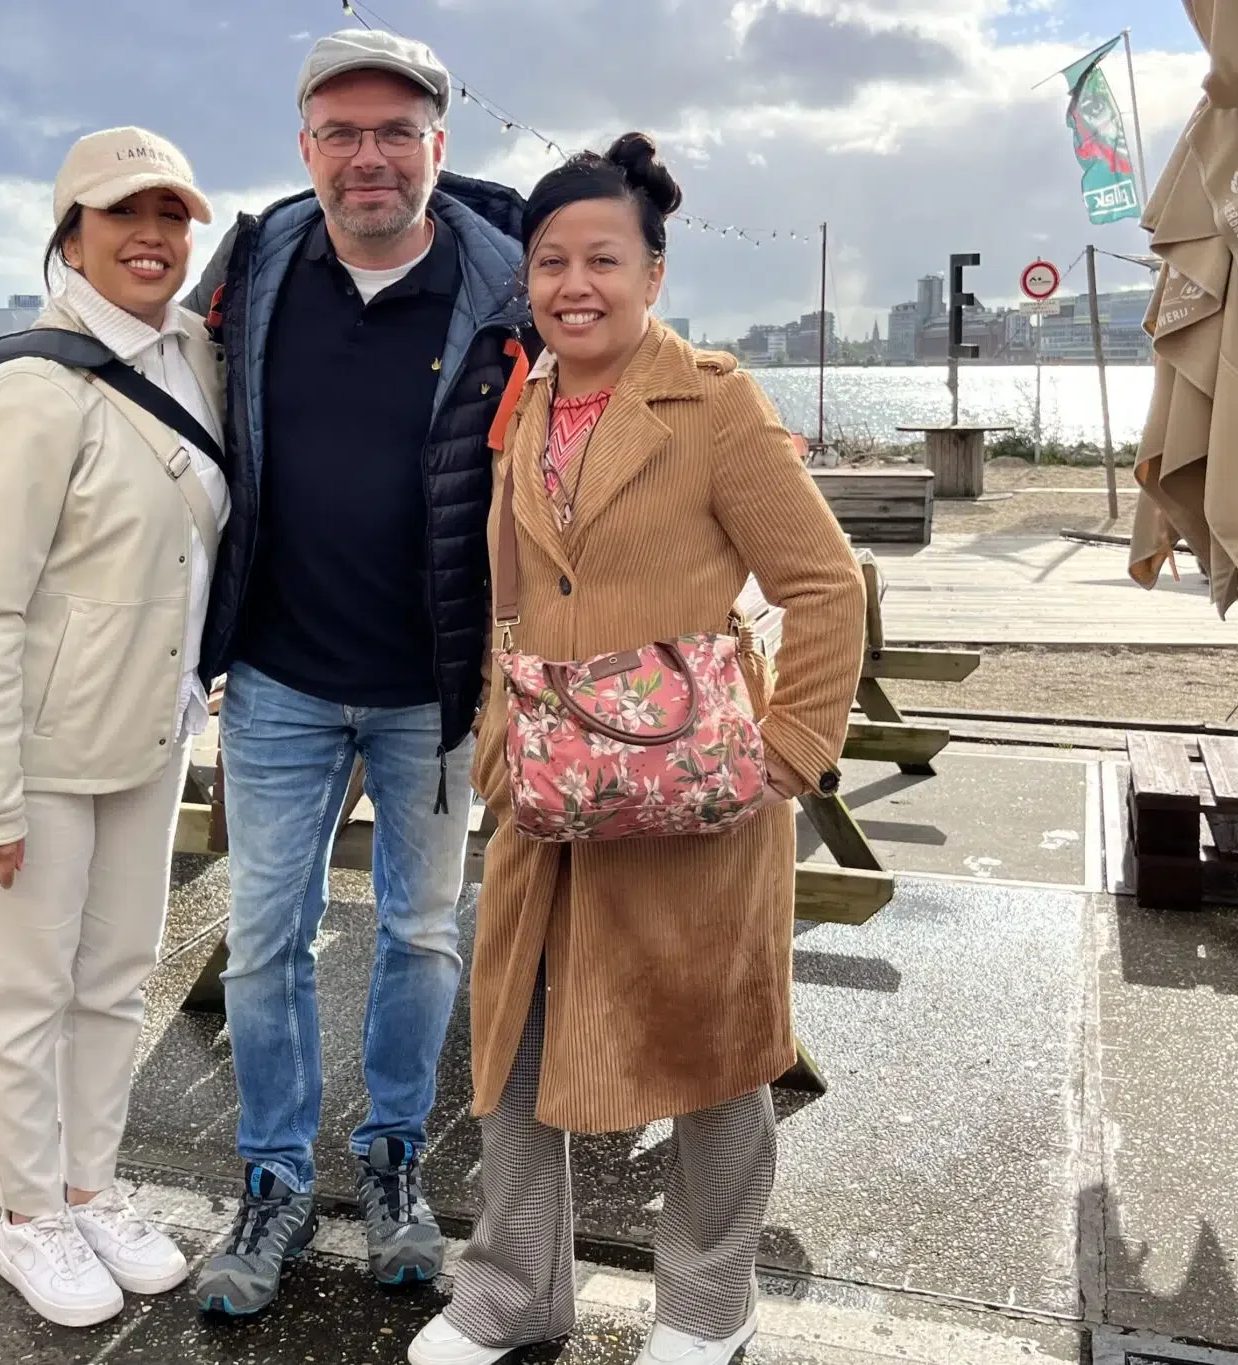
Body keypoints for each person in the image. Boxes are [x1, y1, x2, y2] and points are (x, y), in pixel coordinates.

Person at [408, 136, 867, 1365]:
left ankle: (707, 1304)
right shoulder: (526, 402)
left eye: (602, 259)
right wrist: (500, 730)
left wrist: (783, 758)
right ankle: (511, 1291)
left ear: (652, 273)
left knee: (716, 1048)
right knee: (506, 1038)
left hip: (691, 788)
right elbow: (509, 589)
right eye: (550, 261)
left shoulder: (713, 400)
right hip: (549, 787)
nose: (573, 283)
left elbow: (824, 588)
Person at [177, 29, 527, 1317]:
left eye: (395, 132)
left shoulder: (506, 281)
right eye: (341, 132)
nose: (367, 157)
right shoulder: (261, 258)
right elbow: (177, 394)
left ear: (439, 143)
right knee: (265, 938)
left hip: (433, 685)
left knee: (423, 932)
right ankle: (270, 1178)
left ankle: (390, 1164)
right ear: (306, 147)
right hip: (276, 674)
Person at [0, 127, 228, 1329]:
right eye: (122, 215)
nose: (151, 235)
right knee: (22, 991)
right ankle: (27, 1216)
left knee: (112, 980)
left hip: (147, 734)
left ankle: (90, 1184)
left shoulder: (193, 355)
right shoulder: (29, 390)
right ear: (71, 234)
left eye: (171, 214)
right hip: (38, 754)